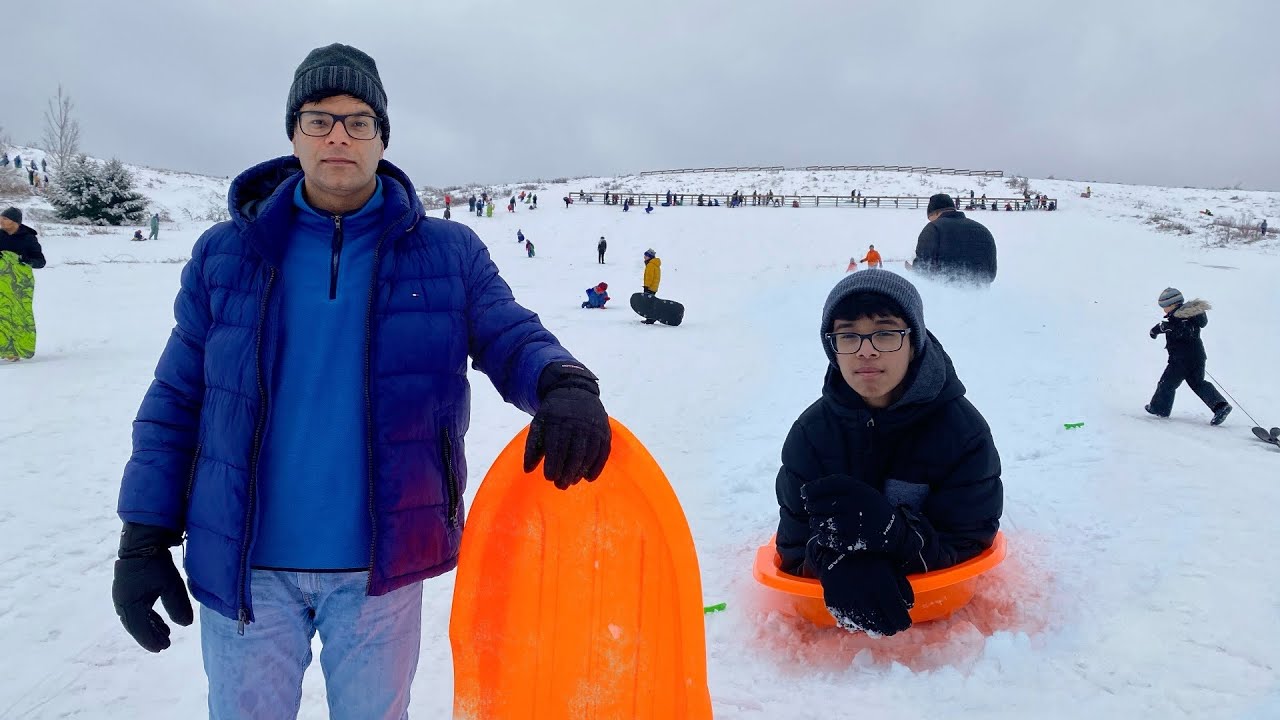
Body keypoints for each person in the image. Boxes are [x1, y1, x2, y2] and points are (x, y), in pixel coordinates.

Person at [110, 43, 612, 720]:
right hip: (247, 569)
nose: (338, 135)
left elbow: (508, 331)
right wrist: (143, 533)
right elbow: (177, 398)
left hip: (380, 570)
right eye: (319, 119)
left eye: (357, 121)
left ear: (382, 138)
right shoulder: (226, 254)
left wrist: (563, 382)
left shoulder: (448, 253)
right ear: (294, 134)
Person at [774, 270, 1002, 636]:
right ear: (832, 347)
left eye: (885, 332)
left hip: (938, 647)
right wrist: (835, 561)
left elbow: (970, 539)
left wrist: (901, 538)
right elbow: (794, 544)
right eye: (848, 335)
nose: (866, 349)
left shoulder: (963, 432)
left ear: (915, 342)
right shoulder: (811, 435)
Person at [1145, 287, 1231, 425]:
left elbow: (1183, 331)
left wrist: (1165, 328)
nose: (1163, 310)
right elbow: (1176, 328)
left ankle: (1159, 408)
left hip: (1181, 360)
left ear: (1173, 304)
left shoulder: (1182, 318)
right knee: (1198, 383)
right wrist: (1158, 330)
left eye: (1165, 306)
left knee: (1166, 383)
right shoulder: (1187, 317)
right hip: (1197, 356)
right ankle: (1220, 406)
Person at [907, 194, 997, 285]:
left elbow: (923, 269)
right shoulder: (983, 230)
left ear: (936, 213)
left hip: (943, 295)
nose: (931, 222)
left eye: (931, 219)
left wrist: (912, 269)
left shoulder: (934, 228)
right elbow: (991, 274)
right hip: (981, 296)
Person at [0, 206, 47, 361]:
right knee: (2, 315)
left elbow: (40, 262)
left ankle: (21, 347)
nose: (1, 220)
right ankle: (5, 350)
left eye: (5, 218)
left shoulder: (28, 238)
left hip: (21, 283)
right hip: (1, 281)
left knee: (19, 315)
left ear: (15, 222)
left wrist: (25, 260)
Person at [640, 248, 661, 324]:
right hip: (654, 287)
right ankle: (650, 318)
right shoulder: (655, 264)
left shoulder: (651, 265)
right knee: (650, 303)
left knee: (647, 304)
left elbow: (649, 276)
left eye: (646, 255)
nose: (644, 257)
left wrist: (646, 286)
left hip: (650, 287)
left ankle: (650, 319)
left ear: (650, 256)